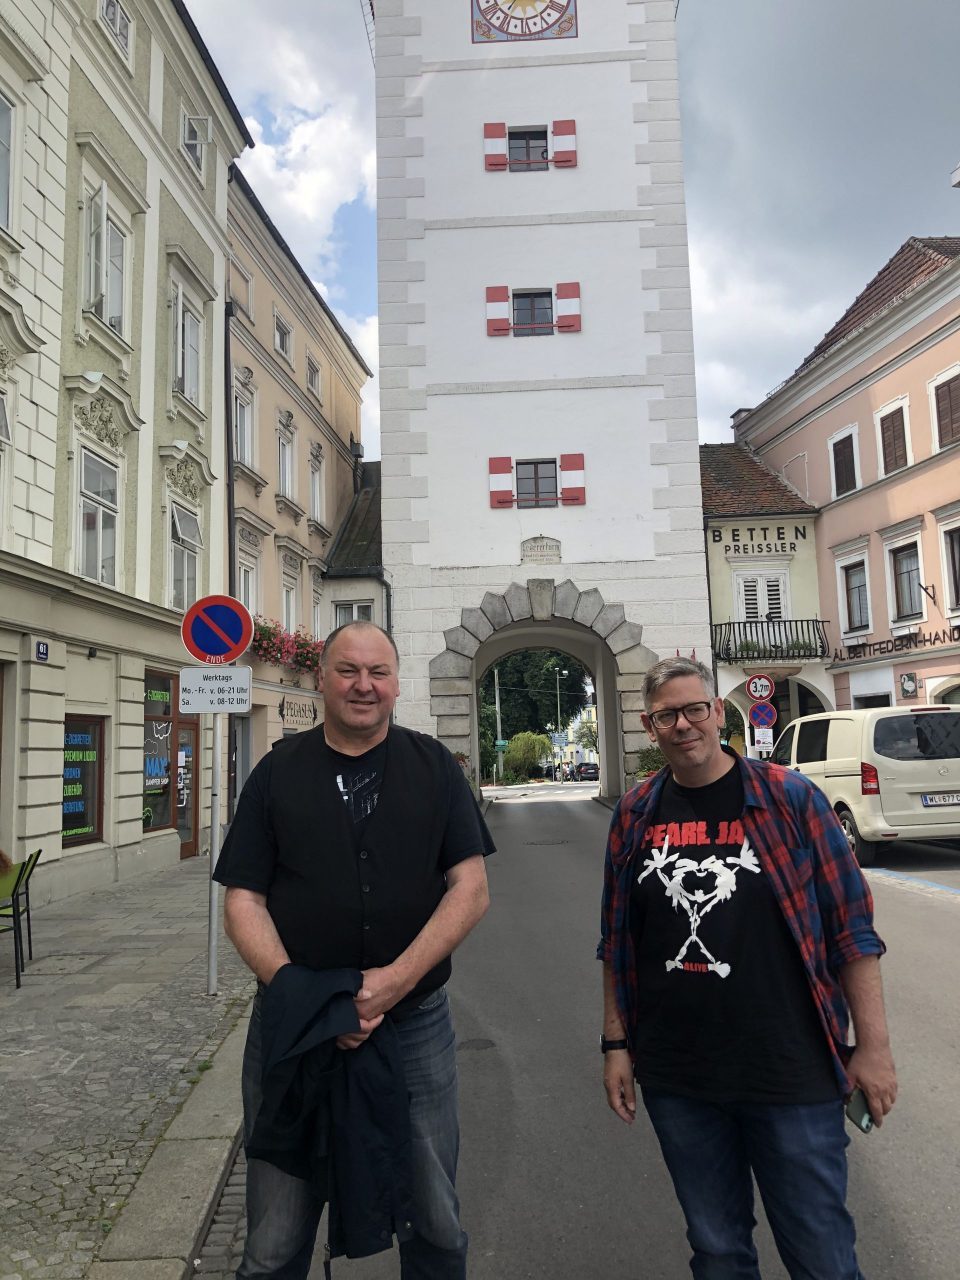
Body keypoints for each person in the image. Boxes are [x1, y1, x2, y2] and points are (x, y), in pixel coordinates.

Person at [598, 656, 897, 1280]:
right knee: (717, 1250)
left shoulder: (791, 799)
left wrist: (872, 1048)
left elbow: (852, 930)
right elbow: (618, 940)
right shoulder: (635, 814)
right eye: (666, 716)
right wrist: (616, 1044)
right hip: (680, 1076)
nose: (683, 725)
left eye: (694, 709)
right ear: (650, 727)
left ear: (718, 711)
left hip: (789, 1069)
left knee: (821, 1254)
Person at [216, 620, 494, 1279]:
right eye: (348, 671)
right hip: (295, 1027)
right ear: (322, 679)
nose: (363, 685)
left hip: (414, 1021)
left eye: (377, 673)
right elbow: (242, 900)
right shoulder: (277, 772)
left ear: (397, 684)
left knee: (435, 1215)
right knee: (275, 1235)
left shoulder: (433, 768)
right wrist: (306, 997)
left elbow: (471, 889)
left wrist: (393, 982)